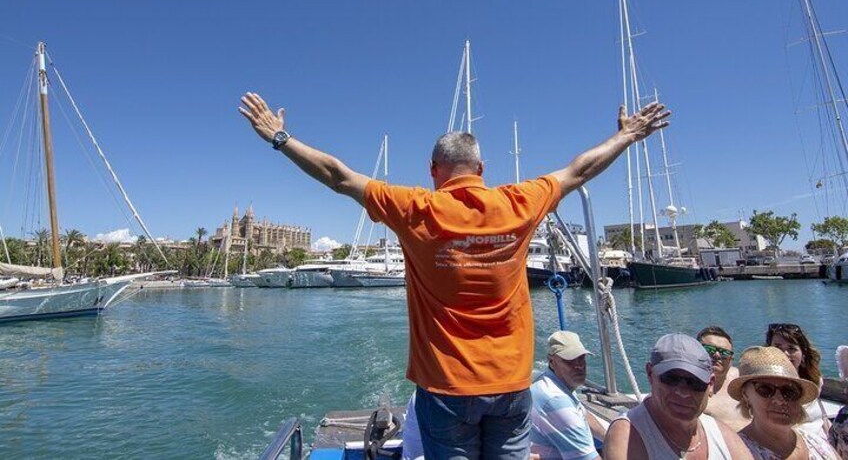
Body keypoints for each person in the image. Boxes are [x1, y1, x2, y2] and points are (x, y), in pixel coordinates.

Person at [239, 92, 670, 459]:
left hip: (446, 386)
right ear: (481, 170)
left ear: (433, 171)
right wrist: (627, 135)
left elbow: (337, 176)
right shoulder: (520, 201)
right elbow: (580, 170)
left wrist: (280, 138)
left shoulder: (415, 208)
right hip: (512, 382)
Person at [603, 333, 753, 460]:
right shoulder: (627, 435)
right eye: (671, 378)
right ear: (650, 374)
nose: (683, 392)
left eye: (695, 382)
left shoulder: (721, 435)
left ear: (710, 384)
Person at [728, 346, 839, 460]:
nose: (779, 400)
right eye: (765, 389)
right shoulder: (735, 452)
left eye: (789, 391)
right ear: (746, 394)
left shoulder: (815, 442)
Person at [529, 331, 607, 459]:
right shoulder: (555, 399)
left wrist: (609, 438)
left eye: (581, 358)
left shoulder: (554, 383)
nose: (579, 366)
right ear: (551, 361)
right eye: (569, 360)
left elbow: (583, 413)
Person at [767, 323, 830, 438]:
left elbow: (822, 416)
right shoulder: (762, 387)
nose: (785, 354)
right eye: (778, 348)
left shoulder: (815, 380)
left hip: (820, 442)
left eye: (791, 348)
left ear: (803, 354)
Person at [697, 326, 746, 431]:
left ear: (731, 359)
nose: (717, 355)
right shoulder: (686, 386)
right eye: (709, 349)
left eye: (724, 352)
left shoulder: (743, 379)